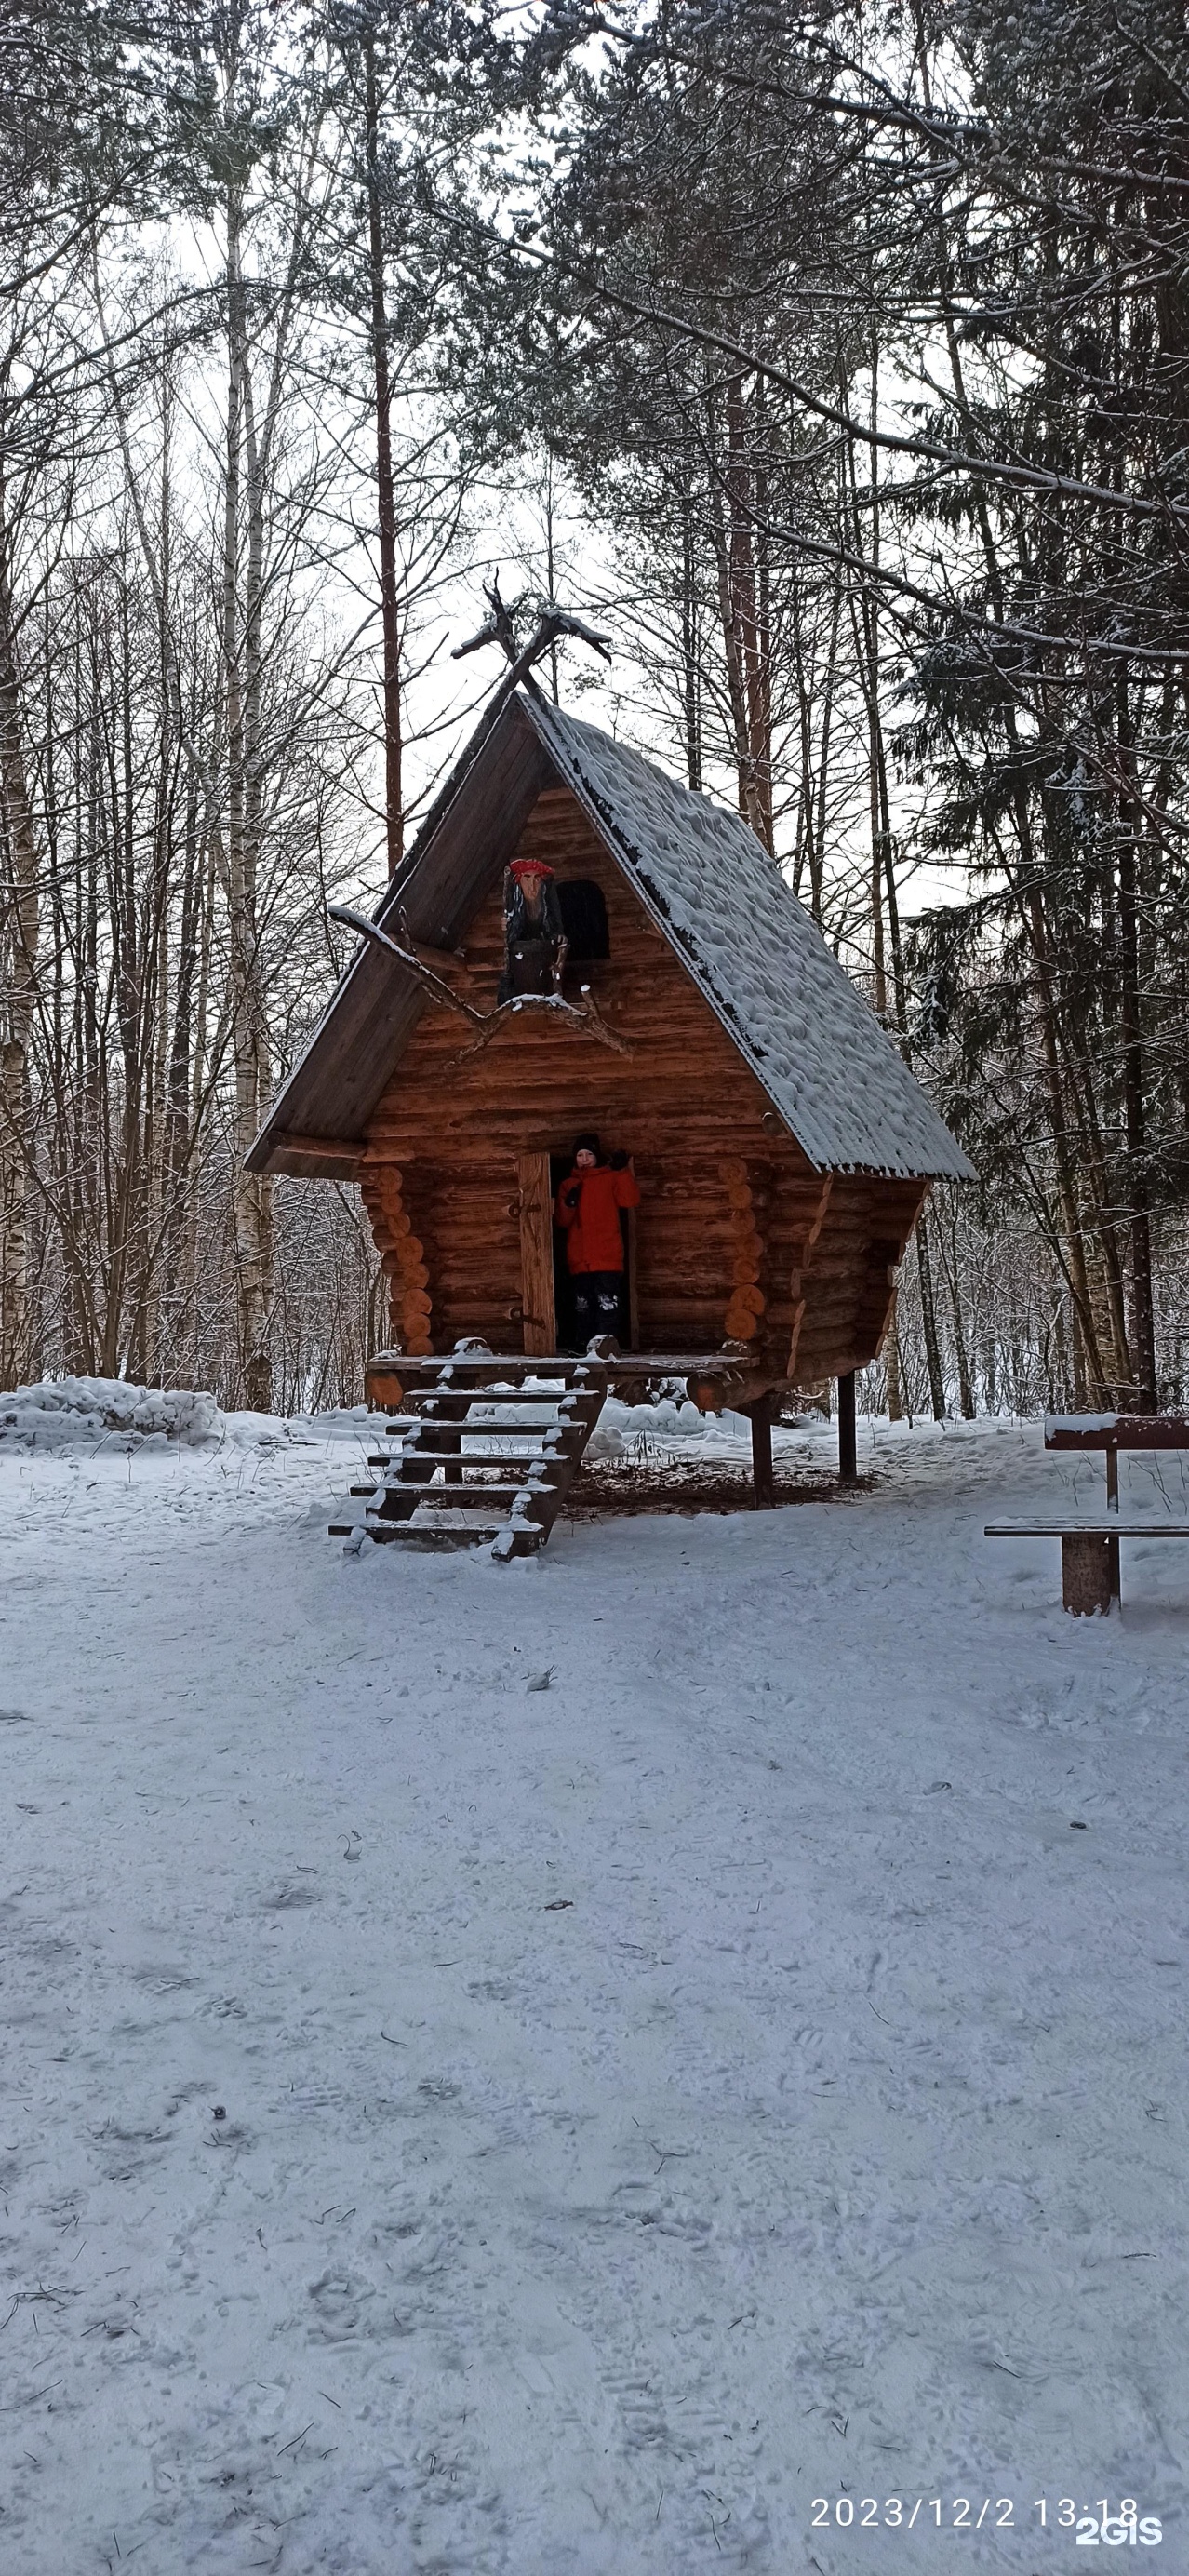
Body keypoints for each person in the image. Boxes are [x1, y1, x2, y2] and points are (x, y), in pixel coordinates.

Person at [554, 1133, 640, 1348]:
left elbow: (629, 1200)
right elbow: (562, 1222)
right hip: (579, 1257)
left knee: (607, 1303)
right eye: (580, 1154)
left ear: (597, 1156)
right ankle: (583, 1345)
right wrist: (569, 1203)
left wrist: (622, 1171)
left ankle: (607, 1347)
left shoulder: (610, 1178)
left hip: (607, 1254)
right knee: (583, 1305)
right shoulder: (568, 1184)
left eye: (589, 1154)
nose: (584, 1159)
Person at [498, 858, 567, 1002]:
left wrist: (558, 936)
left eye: (537, 879)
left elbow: (555, 925)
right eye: (527, 878)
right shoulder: (516, 904)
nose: (532, 886)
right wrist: (508, 926)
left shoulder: (548, 903)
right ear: (519, 882)